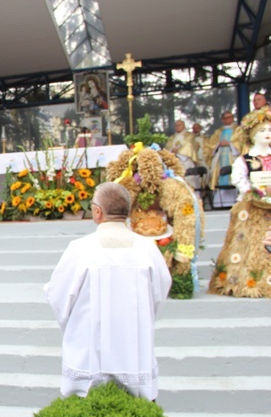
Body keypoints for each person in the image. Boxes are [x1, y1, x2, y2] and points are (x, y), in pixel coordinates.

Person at [44, 182, 171, 401]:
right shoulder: (148, 248)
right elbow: (158, 295)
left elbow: (59, 296)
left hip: (89, 351)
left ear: (97, 211)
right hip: (134, 349)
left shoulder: (80, 249)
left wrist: (73, 327)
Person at [209, 108, 271, 298]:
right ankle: (251, 278)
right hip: (254, 206)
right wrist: (251, 192)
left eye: (269, 130)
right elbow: (239, 178)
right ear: (252, 135)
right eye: (262, 131)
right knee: (250, 243)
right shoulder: (245, 159)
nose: (267, 134)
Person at [206, 111, 240, 205]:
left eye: (229, 117)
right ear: (222, 120)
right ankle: (221, 203)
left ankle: (235, 202)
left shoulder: (238, 130)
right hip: (220, 158)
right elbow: (210, 145)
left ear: (233, 118)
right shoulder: (218, 132)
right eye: (225, 118)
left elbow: (242, 144)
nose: (227, 119)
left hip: (232, 157)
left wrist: (229, 144)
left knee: (233, 178)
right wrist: (218, 144)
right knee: (220, 177)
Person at [165, 120, 201, 192]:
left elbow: (190, 145)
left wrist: (178, 151)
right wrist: (172, 151)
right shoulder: (172, 137)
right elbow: (167, 147)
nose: (177, 127)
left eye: (179, 125)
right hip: (174, 162)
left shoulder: (190, 135)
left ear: (184, 126)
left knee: (190, 183)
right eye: (176, 125)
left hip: (186, 161)